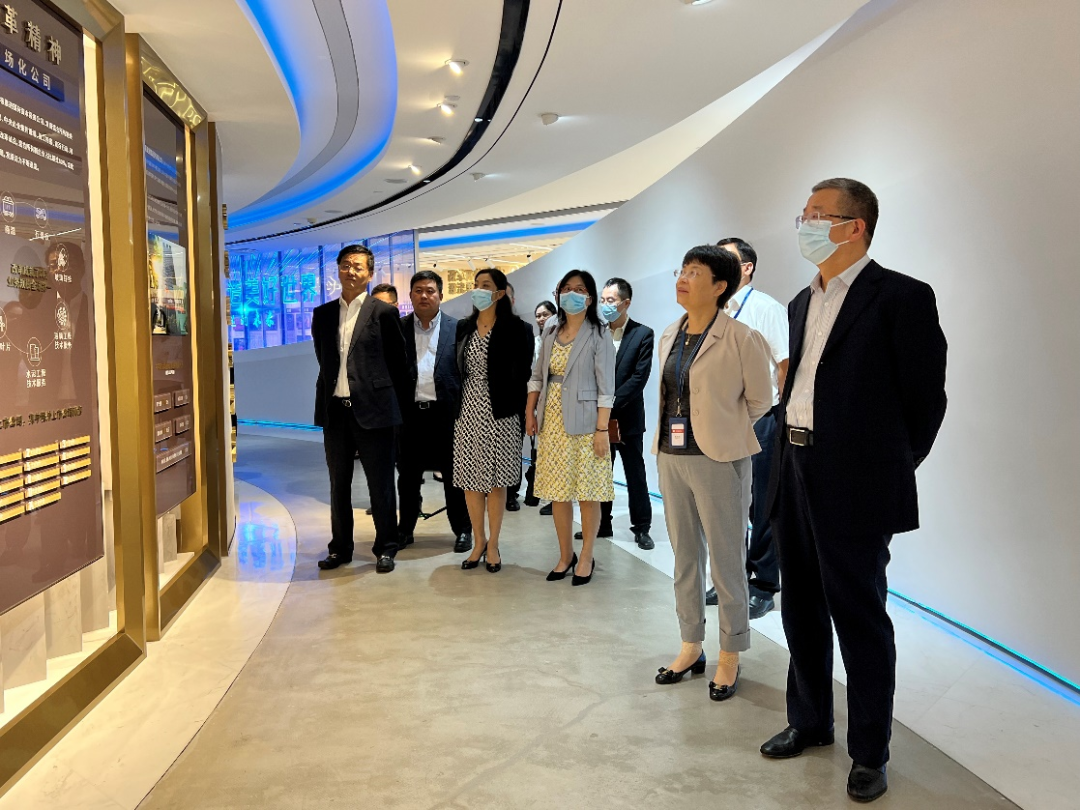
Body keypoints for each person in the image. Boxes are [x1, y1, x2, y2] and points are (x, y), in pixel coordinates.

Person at [759, 179, 947, 804]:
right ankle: (810, 720)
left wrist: (884, 468)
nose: (805, 225)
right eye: (804, 214)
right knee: (800, 607)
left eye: (818, 215)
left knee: (860, 617)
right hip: (794, 466)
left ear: (855, 226)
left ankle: (870, 751)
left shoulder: (901, 297)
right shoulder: (799, 302)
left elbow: (926, 402)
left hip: (856, 483)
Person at [651, 245, 772, 701]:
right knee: (684, 557)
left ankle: (730, 652)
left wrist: (723, 430)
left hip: (719, 459)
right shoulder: (670, 333)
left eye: (695, 272)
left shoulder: (741, 337)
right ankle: (690, 645)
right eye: (682, 270)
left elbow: (761, 400)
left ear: (720, 286)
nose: (683, 278)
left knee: (726, 561)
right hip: (671, 455)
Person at [311, 245, 412, 573]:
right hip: (336, 411)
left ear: (369, 274)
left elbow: (399, 365)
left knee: (380, 483)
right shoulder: (323, 314)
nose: (350, 271)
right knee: (337, 484)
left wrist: (394, 409)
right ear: (337, 270)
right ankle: (340, 549)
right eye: (345, 265)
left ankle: (386, 547)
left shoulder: (383, 313)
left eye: (357, 266)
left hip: (375, 411)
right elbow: (324, 360)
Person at [705, 237, 790, 619]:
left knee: (762, 505)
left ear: (747, 267)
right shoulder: (714, 312)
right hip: (722, 422)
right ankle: (731, 578)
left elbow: (785, 366)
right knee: (726, 505)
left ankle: (764, 584)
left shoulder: (766, 309)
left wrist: (780, 418)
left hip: (761, 421)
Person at [526, 270, 616, 587]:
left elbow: (606, 387)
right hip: (551, 420)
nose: (572, 294)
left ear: (589, 297)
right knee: (558, 493)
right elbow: (538, 375)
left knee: (589, 493)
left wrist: (602, 430)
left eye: (579, 289)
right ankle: (566, 555)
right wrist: (530, 410)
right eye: (567, 288)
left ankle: (587, 555)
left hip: (588, 423)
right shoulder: (551, 328)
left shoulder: (599, 332)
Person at [453, 269, 534, 572]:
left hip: (502, 412)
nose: (478, 290)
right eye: (476, 285)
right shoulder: (464, 327)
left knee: (497, 481)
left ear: (499, 293)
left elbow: (524, 374)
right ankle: (478, 541)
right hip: (467, 410)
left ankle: (494, 545)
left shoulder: (518, 328)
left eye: (485, 285)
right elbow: (456, 369)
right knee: (471, 481)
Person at [575, 277, 655, 549]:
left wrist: (608, 404)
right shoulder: (594, 333)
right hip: (598, 421)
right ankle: (602, 524)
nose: (606, 305)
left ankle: (642, 528)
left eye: (611, 300)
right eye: (603, 300)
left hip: (627, 418)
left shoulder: (642, 334)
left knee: (635, 475)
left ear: (626, 303)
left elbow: (638, 378)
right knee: (600, 474)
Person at [396, 271, 472, 554]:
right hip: (410, 416)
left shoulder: (458, 328)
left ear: (440, 295)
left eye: (430, 290)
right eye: (418, 290)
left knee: (454, 478)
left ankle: (462, 530)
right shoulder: (399, 328)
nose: (424, 296)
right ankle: (405, 530)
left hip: (447, 416)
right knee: (407, 478)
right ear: (411, 295)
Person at [525, 301, 557, 509]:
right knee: (538, 448)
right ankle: (537, 490)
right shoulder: (536, 341)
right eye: (537, 315)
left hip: (557, 400)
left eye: (545, 314)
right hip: (537, 398)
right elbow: (534, 374)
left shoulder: (561, 340)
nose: (541, 319)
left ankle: (554, 498)